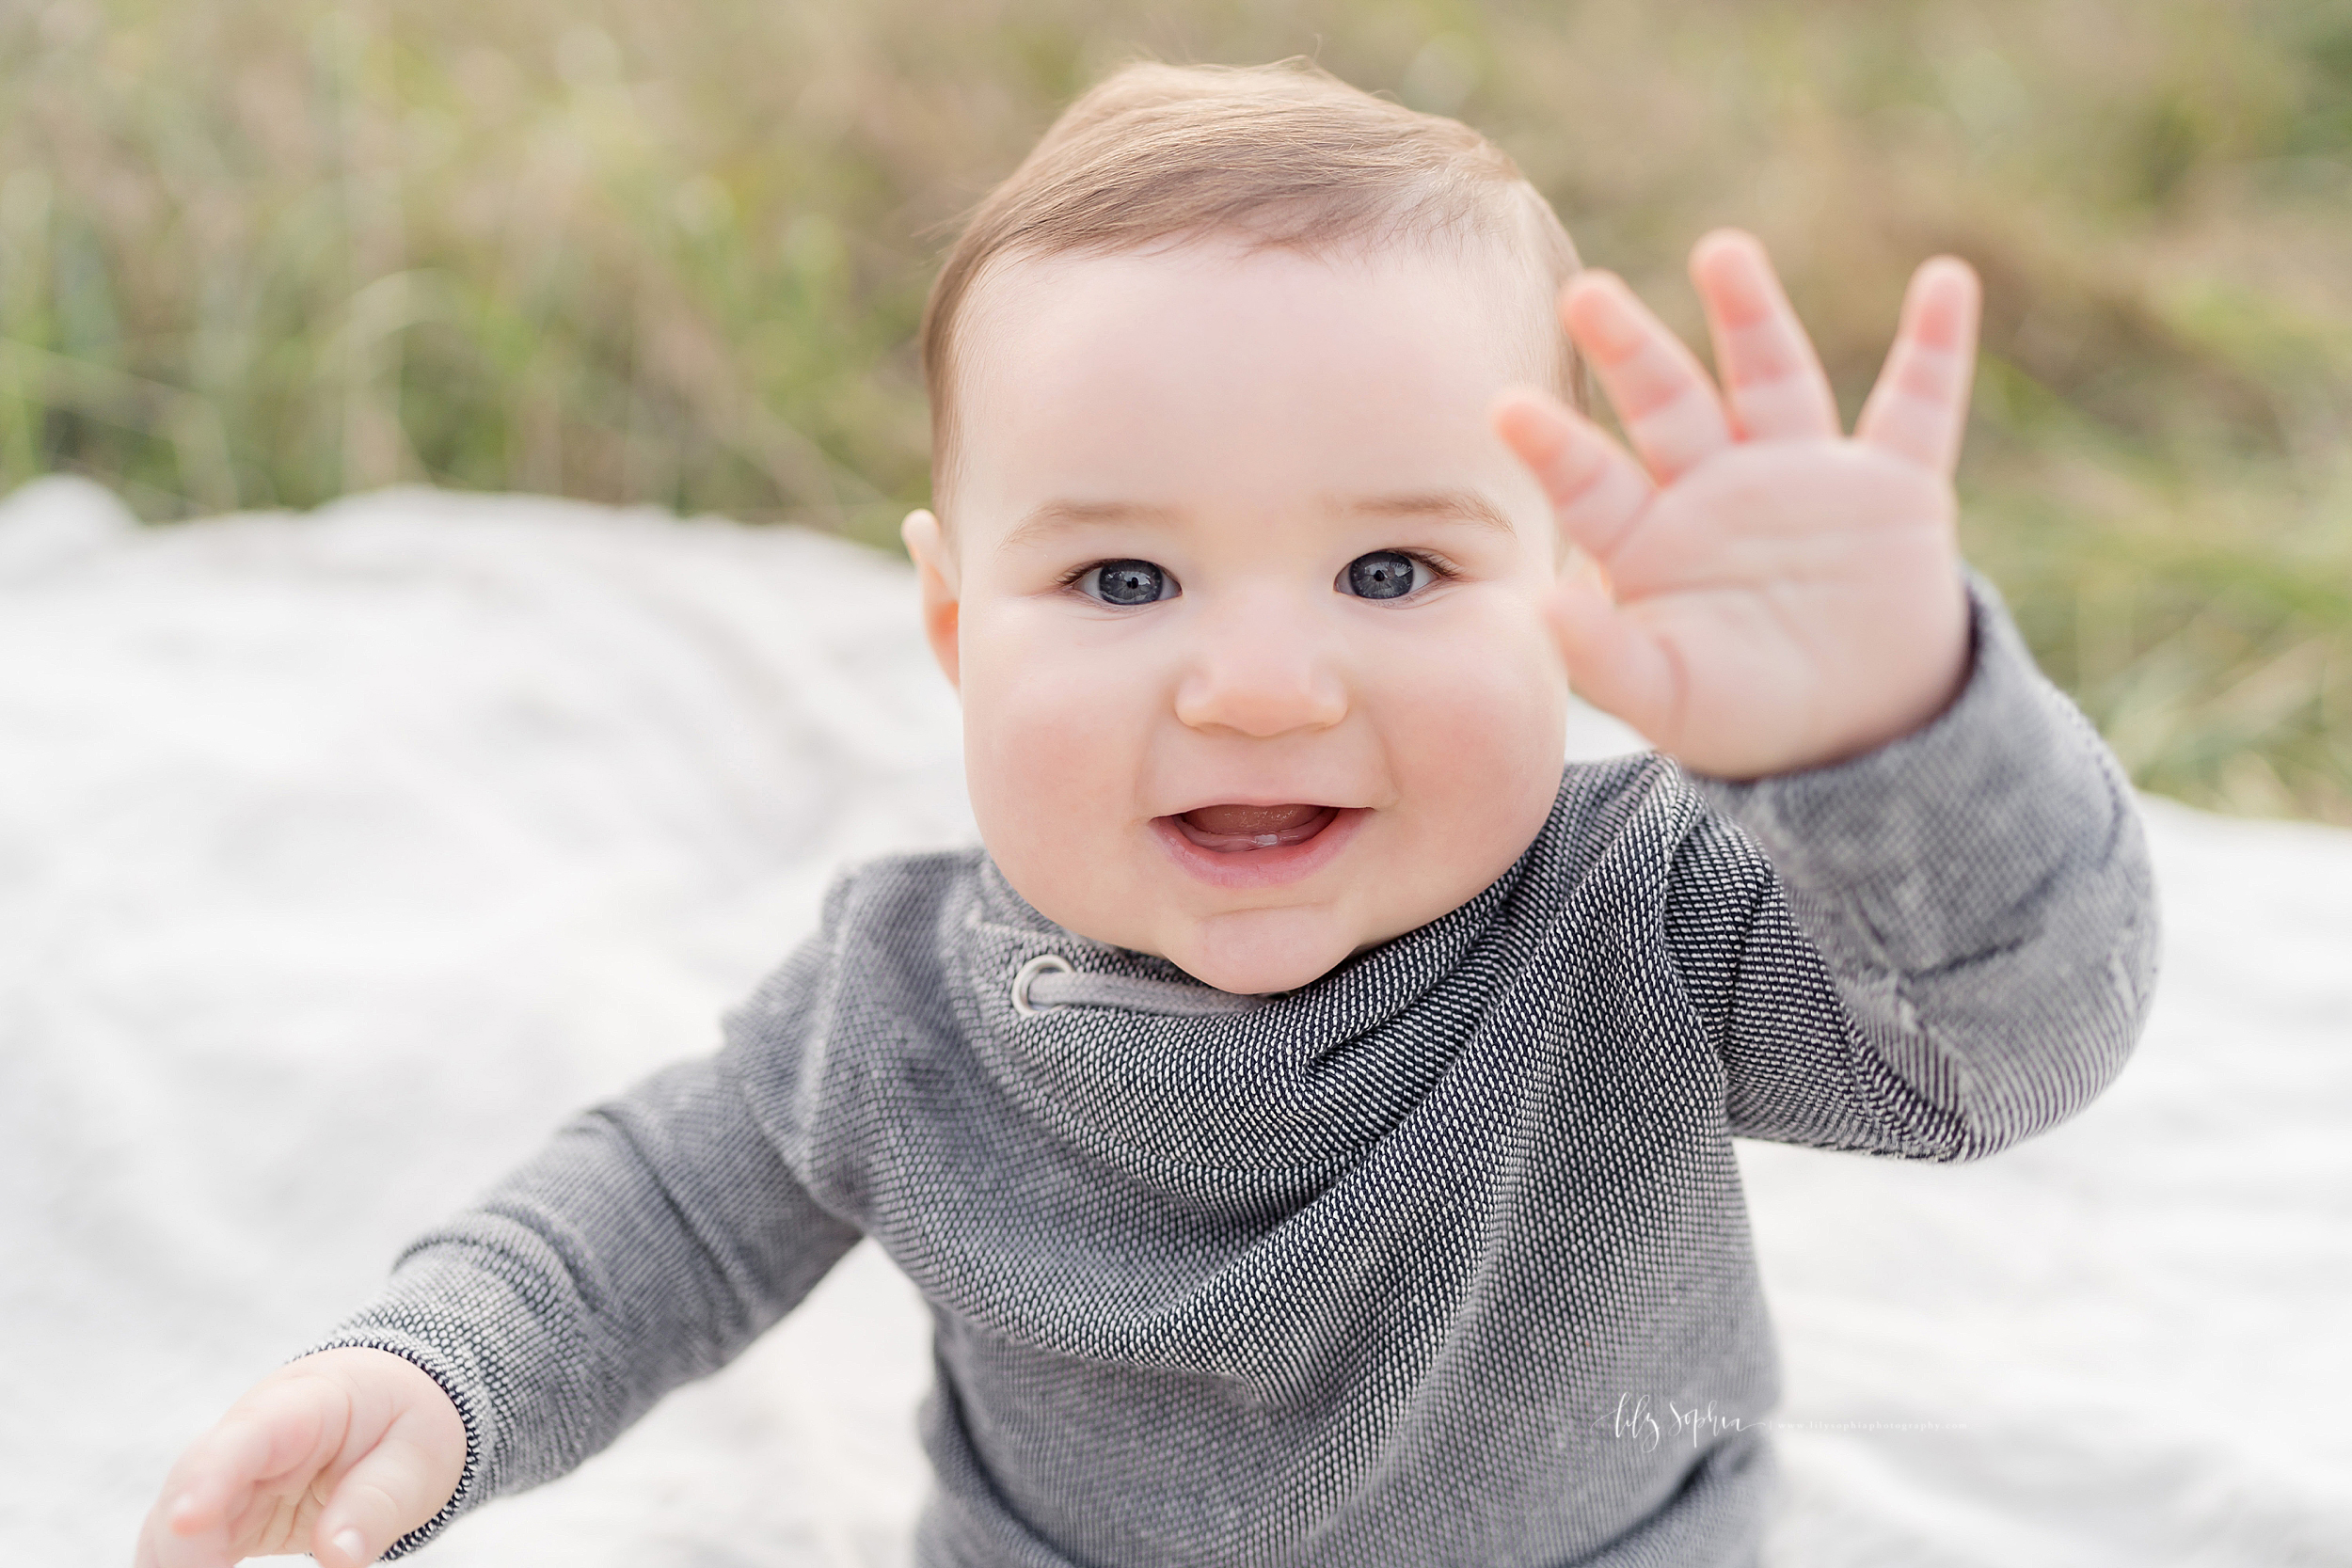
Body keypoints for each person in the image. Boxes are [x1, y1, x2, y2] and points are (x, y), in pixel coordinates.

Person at [135, 59, 2157, 1568]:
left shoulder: (1652, 916)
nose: (1258, 684)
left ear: (1568, 590)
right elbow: (648, 1217)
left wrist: (1893, 741)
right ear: (950, 622)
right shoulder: (903, 998)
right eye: (1121, 582)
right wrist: (430, 1372)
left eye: (1389, 573)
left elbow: (1999, 1050)